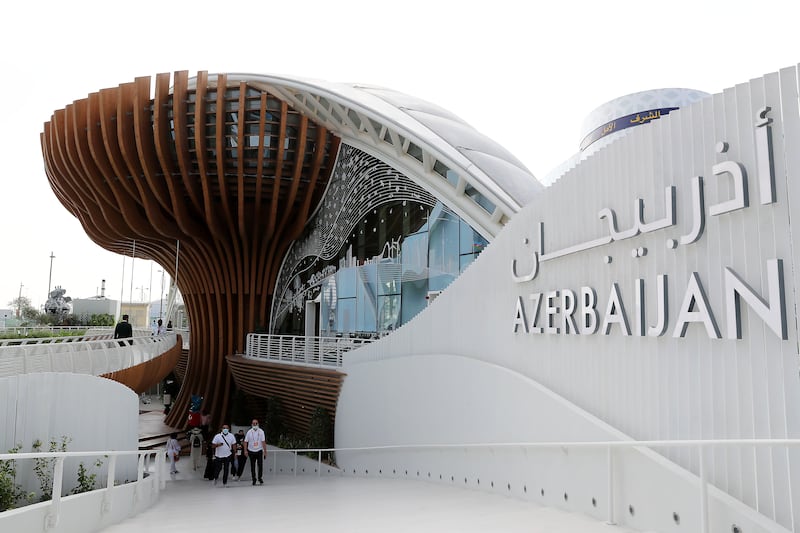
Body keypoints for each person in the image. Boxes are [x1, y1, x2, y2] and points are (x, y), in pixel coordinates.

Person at [244, 418, 267, 485]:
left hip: (259, 450)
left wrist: (265, 451)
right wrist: (245, 451)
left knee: (260, 465)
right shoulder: (249, 432)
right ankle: (254, 479)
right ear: (251, 424)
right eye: (253, 423)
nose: (255, 424)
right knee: (252, 466)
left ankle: (260, 478)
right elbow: (245, 442)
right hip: (251, 451)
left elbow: (263, 442)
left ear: (258, 424)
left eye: (256, 423)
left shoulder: (261, 431)